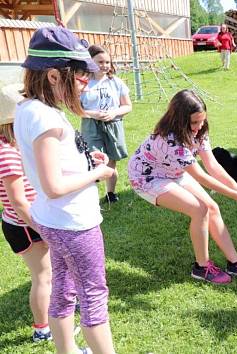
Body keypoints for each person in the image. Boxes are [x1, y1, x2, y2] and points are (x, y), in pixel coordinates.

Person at [14, 26, 116, 354]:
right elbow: (54, 185)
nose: (85, 81)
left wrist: (87, 162)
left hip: (54, 220)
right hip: (73, 223)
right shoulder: (47, 118)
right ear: (55, 76)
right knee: (93, 294)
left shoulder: (29, 108)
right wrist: (98, 173)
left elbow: (55, 165)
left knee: (64, 288)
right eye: (79, 75)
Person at [128, 89, 237, 285]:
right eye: (194, 123)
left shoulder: (201, 130)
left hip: (175, 171)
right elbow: (201, 176)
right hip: (148, 177)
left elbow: (213, 165)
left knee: (212, 207)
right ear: (179, 121)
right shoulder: (169, 140)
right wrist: (234, 195)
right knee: (199, 209)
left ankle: (234, 263)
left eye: (202, 121)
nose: (199, 127)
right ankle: (202, 267)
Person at [0, 83, 52, 343]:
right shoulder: (7, 154)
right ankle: (42, 329)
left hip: (32, 220)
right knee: (43, 276)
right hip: (25, 224)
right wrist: (44, 229)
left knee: (49, 272)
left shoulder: (14, 146)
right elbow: (19, 203)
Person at [80, 45, 132, 204]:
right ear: (90, 61)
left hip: (113, 125)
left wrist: (114, 112)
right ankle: (90, 196)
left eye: (107, 62)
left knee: (111, 162)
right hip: (91, 126)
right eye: (100, 61)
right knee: (94, 161)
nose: (104, 65)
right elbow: (76, 109)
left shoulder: (116, 82)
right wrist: (92, 113)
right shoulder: (83, 83)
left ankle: (111, 193)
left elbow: (128, 106)